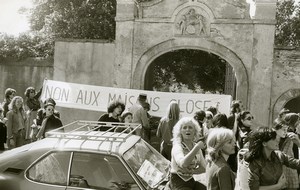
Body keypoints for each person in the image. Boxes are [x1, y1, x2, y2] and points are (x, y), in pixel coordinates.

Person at [170, 117, 206, 190]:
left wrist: (193, 171)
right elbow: (183, 164)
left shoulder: (196, 146)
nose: (187, 129)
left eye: (190, 127)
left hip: (190, 180)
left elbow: (204, 168)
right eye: (184, 127)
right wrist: (196, 148)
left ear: (195, 131)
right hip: (177, 180)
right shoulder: (177, 146)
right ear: (180, 131)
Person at [273, 120, 300, 190]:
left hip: (289, 171)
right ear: (275, 129)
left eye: (286, 129)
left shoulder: (289, 138)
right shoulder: (270, 140)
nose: (285, 131)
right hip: (276, 174)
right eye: (283, 129)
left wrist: (298, 143)